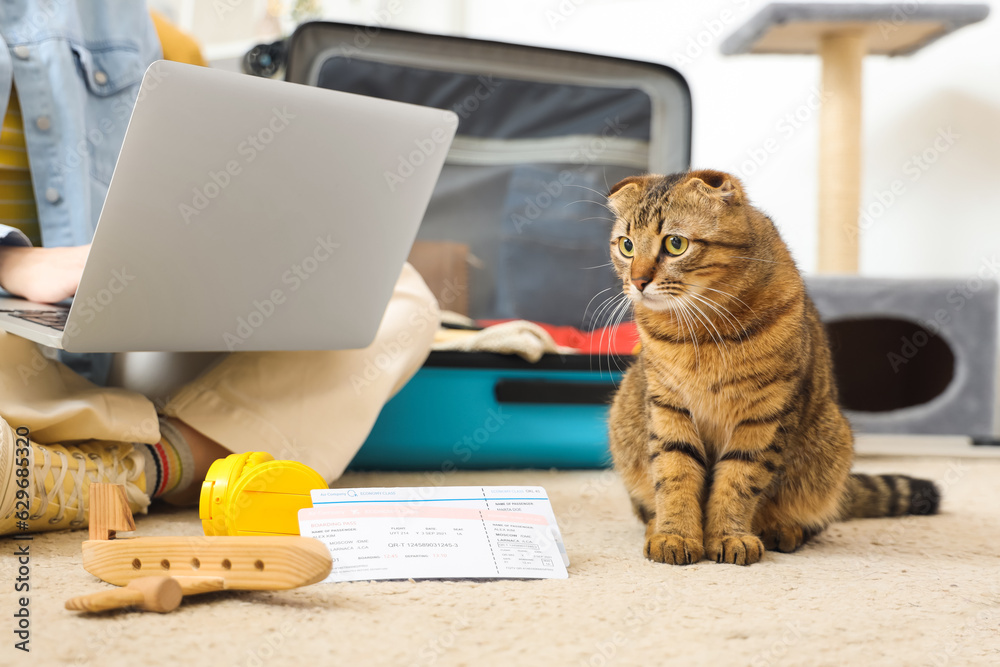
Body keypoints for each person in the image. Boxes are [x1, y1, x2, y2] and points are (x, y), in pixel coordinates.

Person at [0, 3, 438, 534]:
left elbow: (197, 190)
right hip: (12, 341)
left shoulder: (147, 33)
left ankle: (138, 466)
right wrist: (13, 259)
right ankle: (140, 462)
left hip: (117, 338)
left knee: (394, 293)